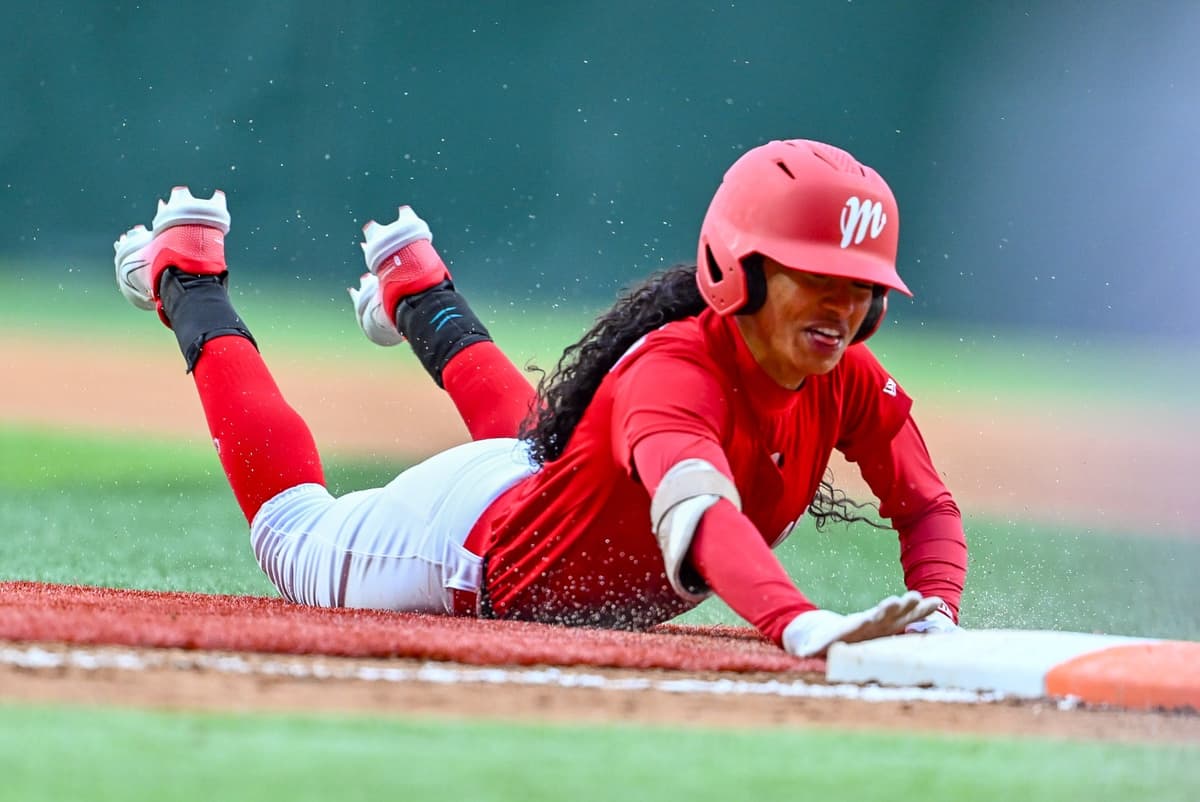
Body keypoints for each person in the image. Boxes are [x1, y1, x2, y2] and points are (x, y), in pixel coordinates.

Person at [113, 138, 966, 657]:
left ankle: (420, 292)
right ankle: (188, 279)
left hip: (530, 488)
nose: (842, 307)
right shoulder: (676, 374)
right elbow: (701, 516)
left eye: (860, 286)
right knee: (290, 533)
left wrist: (940, 618)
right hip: (458, 551)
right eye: (815, 277)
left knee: (541, 443)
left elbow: (926, 505)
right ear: (736, 269)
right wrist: (799, 623)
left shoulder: (846, 375)